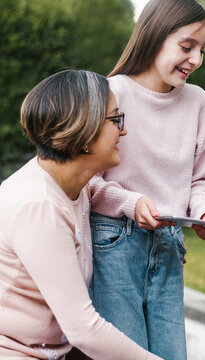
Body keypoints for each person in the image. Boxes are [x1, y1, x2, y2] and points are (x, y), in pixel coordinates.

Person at [88, 0, 205, 359]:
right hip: (113, 242)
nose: (196, 59)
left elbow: (198, 182)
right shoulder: (110, 92)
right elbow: (88, 181)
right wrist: (132, 204)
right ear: (154, 36)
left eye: (203, 50)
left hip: (169, 243)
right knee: (126, 354)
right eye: (186, 46)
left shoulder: (198, 101)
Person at [0, 70, 161, 359]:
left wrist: (135, 206)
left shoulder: (73, 187)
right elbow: (84, 329)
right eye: (116, 120)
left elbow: (97, 193)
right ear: (84, 129)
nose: (123, 130)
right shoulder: (39, 206)